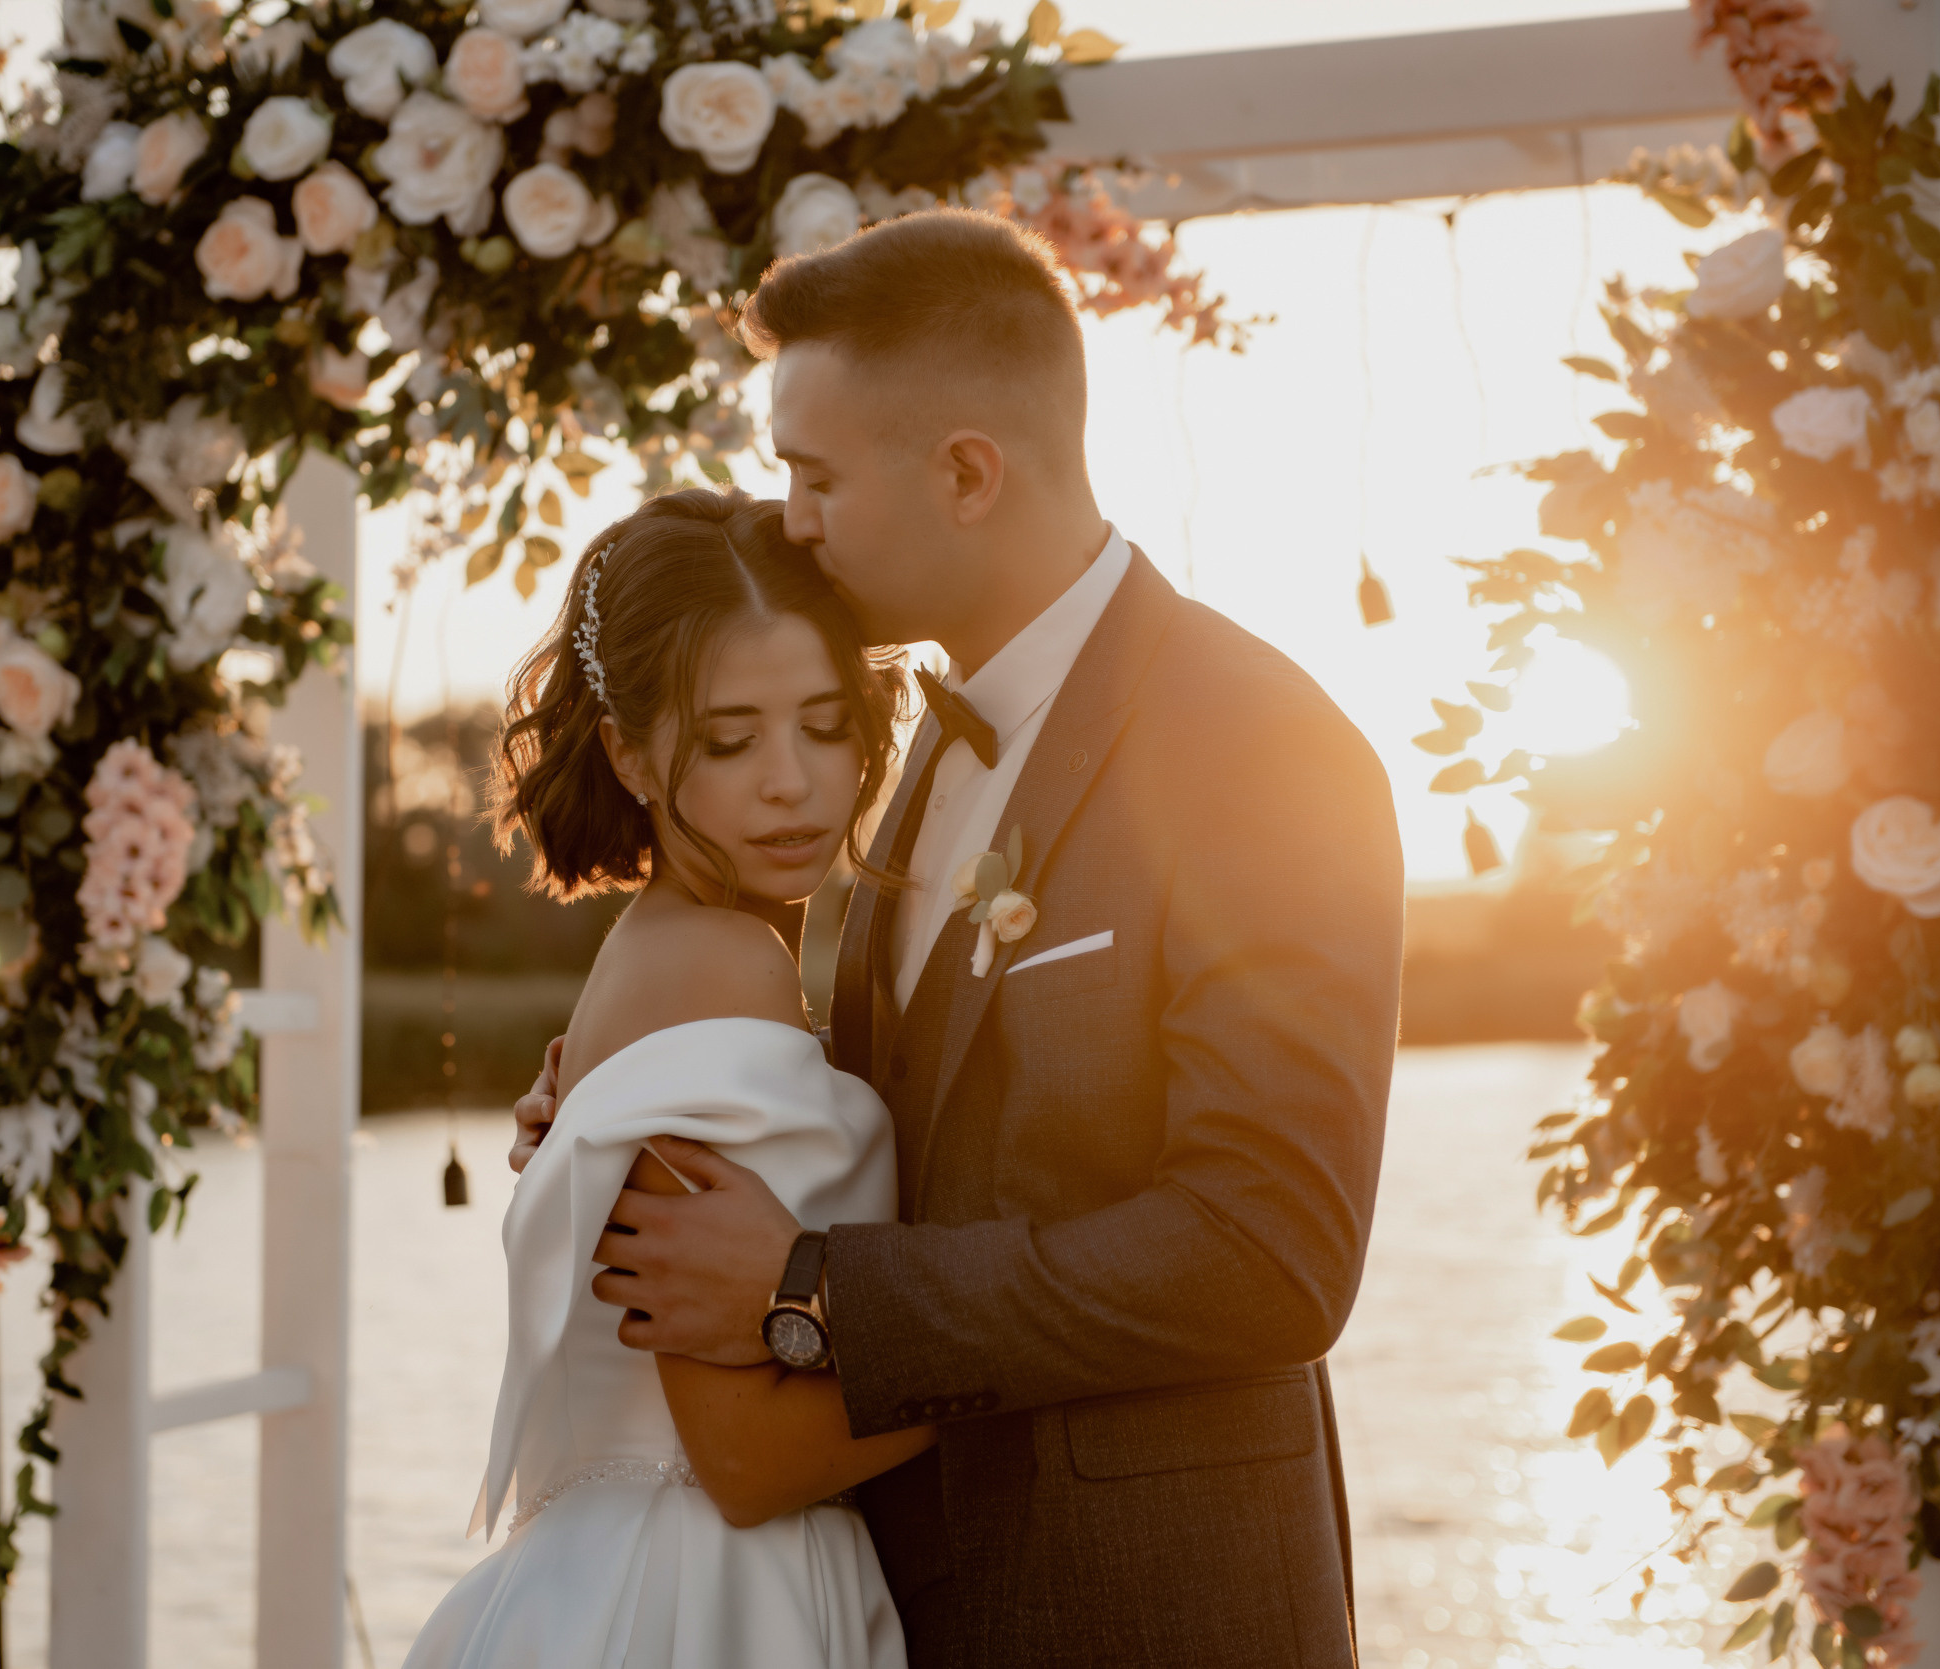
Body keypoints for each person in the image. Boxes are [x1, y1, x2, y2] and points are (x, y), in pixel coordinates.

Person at [509, 208, 1405, 1667]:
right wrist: (621, 1104)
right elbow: (908, 1127)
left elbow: (1272, 1248)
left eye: (815, 477)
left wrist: (808, 1287)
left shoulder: (1258, 743)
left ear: (968, 473)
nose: (790, 519)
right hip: (904, 1603)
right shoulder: (917, 753)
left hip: (1157, 1617)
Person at [403, 488, 931, 1669]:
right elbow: (745, 1456)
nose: (791, 781)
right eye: (731, 739)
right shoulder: (718, 963)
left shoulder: (670, 949)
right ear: (630, 752)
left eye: (825, 722)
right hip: (710, 1599)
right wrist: (1032, 1363)